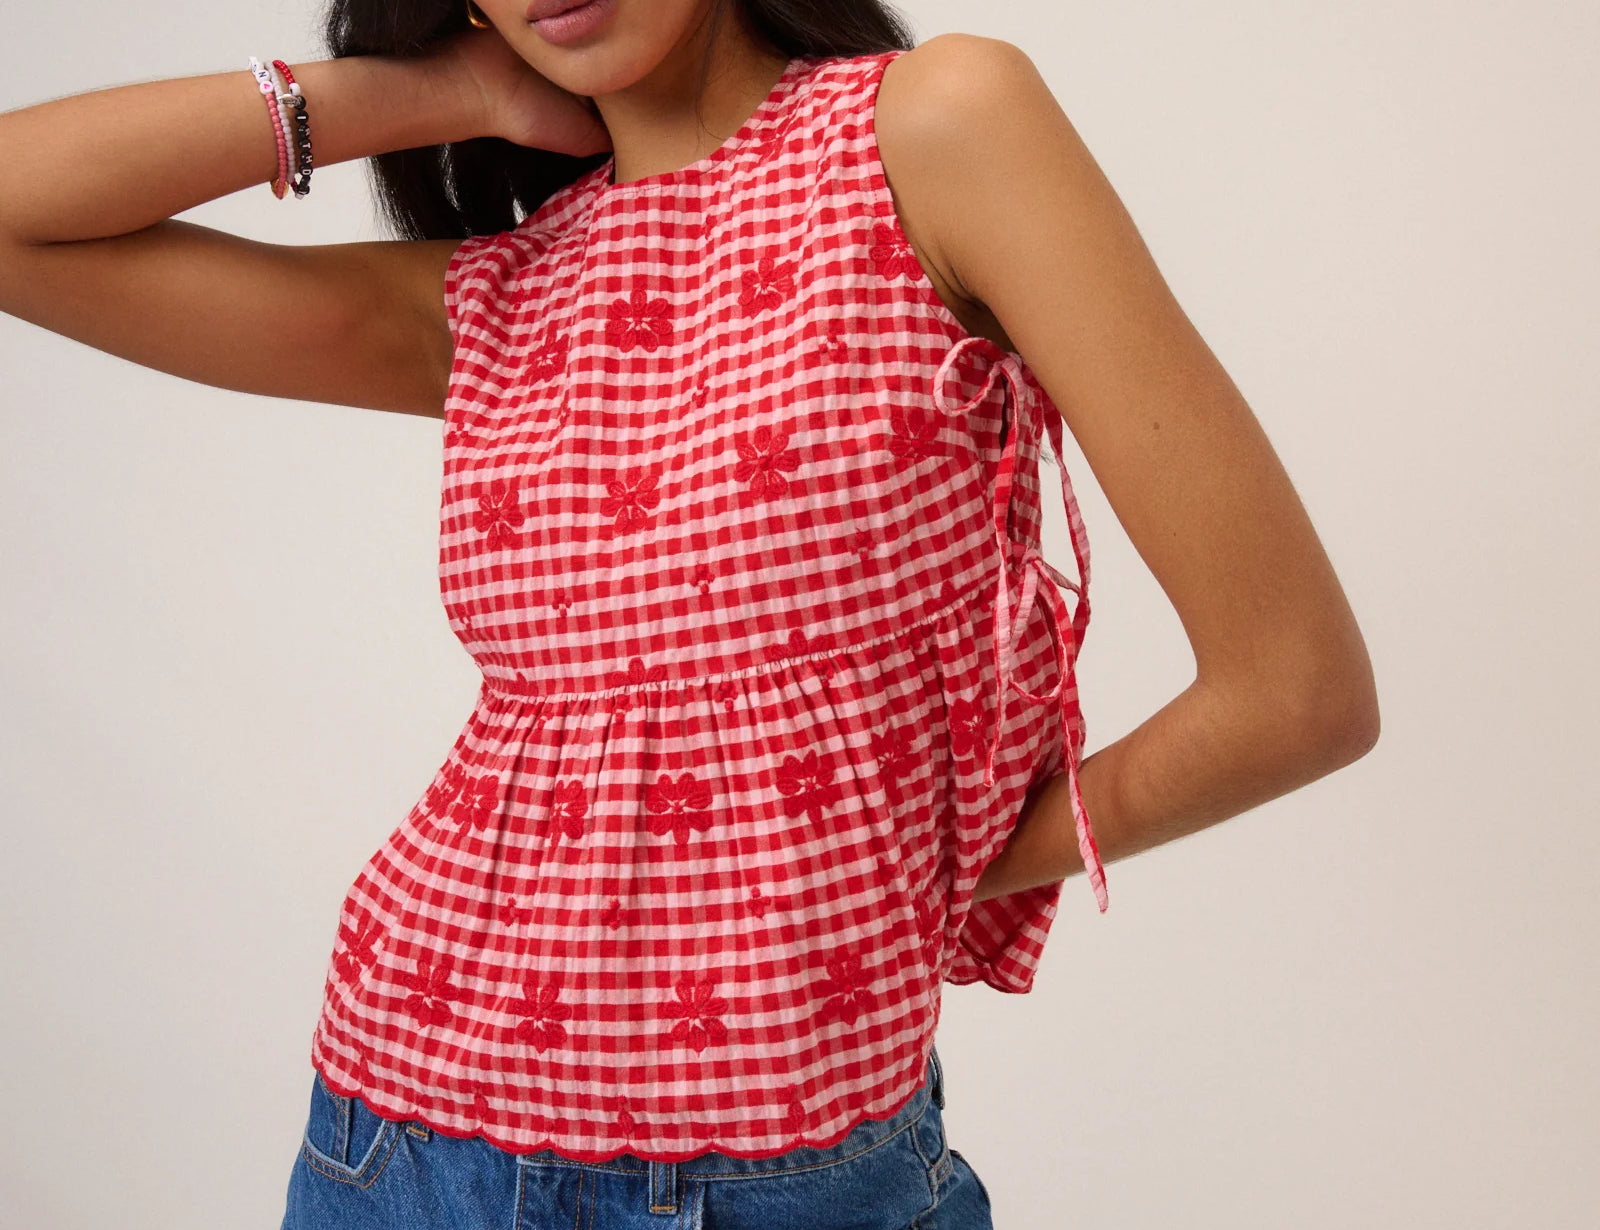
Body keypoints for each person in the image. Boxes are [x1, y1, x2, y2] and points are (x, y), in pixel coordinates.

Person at [0, 1, 1380, 1226]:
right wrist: (438, 90)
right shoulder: (497, 291)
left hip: (791, 1174)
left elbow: (1293, 689)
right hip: (407, 1142)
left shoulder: (940, 125)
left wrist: (915, 869)